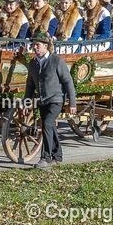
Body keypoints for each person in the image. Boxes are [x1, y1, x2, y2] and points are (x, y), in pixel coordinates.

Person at [23, 31, 76, 169]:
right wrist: (26, 102)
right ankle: (57, 156)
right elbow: (30, 85)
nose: (35, 47)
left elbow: (68, 81)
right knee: (49, 126)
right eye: (33, 45)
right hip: (42, 101)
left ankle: (45, 158)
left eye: (38, 45)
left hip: (56, 100)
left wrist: (72, 103)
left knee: (46, 124)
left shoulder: (57, 61)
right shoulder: (33, 63)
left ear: (46, 46)